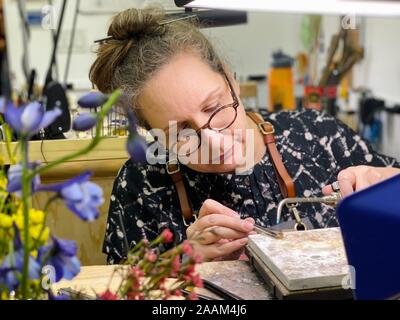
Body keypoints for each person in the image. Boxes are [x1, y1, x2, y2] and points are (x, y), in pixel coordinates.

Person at [89, 7, 400, 264]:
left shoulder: (320, 136)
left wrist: (390, 187)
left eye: (215, 107)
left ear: (231, 79)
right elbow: (123, 289)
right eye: (181, 132)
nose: (215, 142)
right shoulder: (141, 181)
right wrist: (184, 266)